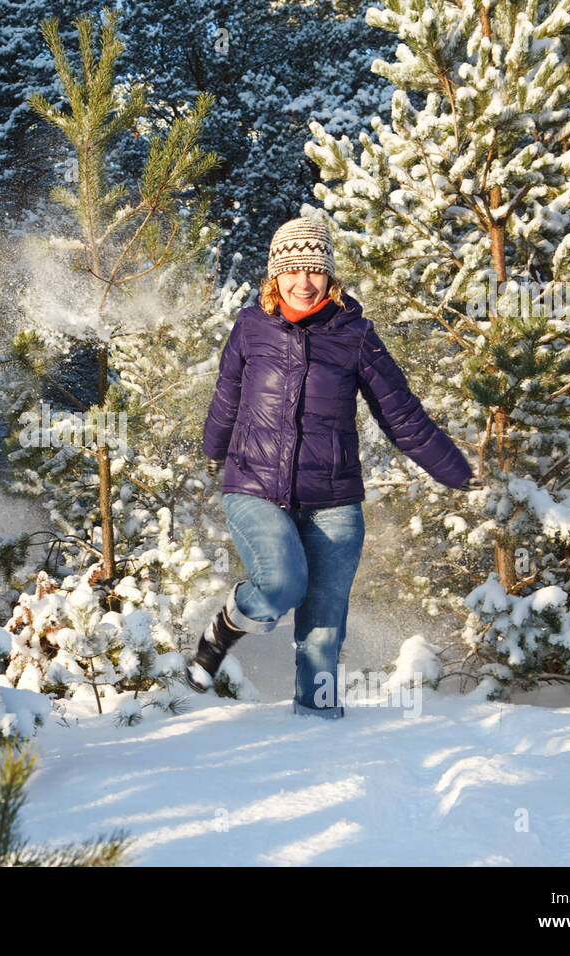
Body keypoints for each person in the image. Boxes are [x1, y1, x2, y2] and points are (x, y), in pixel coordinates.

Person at [187, 215, 477, 717]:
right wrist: (213, 452)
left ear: (330, 276)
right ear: (274, 276)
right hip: (254, 487)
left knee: (323, 632)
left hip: (335, 500)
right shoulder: (251, 328)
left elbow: (400, 413)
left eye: (314, 271)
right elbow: (226, 398)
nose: (304, 283)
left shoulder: (355, 335)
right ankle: (226, 627)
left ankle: (317, 729)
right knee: (280, 585)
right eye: (293, 270)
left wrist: (459, 472)